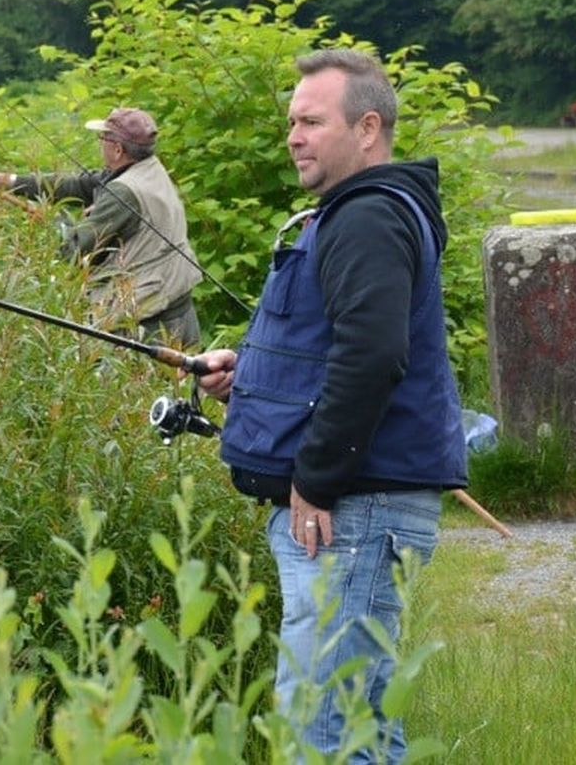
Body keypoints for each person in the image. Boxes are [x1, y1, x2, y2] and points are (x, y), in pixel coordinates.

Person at [195, 49, 467, 761]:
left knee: (322, 727)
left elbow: (374, 356)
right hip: (357, 506)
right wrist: (248, 370)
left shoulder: (368, 218)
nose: (292, 136)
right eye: (291, 121)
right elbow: (340, 342)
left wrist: (316, 479)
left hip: (353, 508)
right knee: (357, 725)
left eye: (311, 121)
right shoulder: (358, 214)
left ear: (368, 127)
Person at [0, 107, 202, 346]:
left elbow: (74, 250)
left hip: (150, 325)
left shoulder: (124, 191)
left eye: (103, 138)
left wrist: (51, 220)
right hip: (176, 308)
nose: (100, 143)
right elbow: (75, 186)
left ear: (117, 149)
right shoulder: (147, 168)